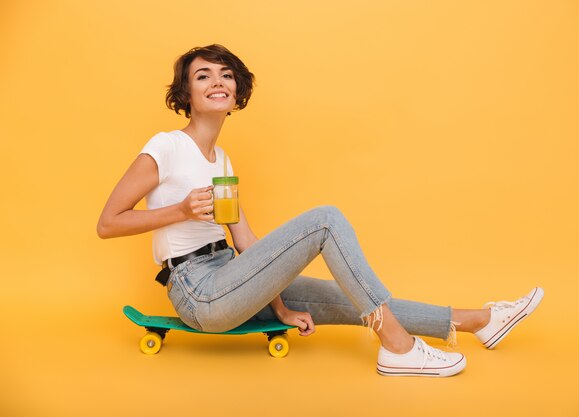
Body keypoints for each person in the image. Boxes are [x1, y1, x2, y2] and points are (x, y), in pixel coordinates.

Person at [97, 44, 544, 377]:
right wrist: (178, 210)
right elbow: (108, 223)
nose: (218, 81)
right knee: (326, 220)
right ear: (186, 93)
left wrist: (282, 308)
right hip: (198, 292)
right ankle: (398, 349)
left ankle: (480, 321)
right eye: (203, 76)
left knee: (356, 298)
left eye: (226, 74)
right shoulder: (166, 146)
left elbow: (246, 242)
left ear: (237, 91)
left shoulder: (223, 160)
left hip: (233, 277)